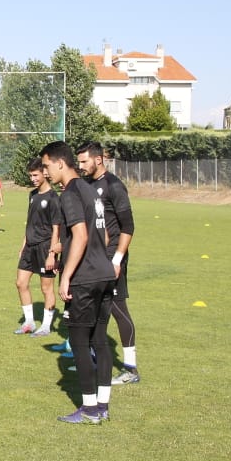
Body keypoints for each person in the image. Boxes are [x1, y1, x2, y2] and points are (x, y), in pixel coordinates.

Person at [41, 141, 116, 425]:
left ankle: (88, 408)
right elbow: (104, 237)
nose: (46, 172)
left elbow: (81, 236)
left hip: (85, 279)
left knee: (79, 342)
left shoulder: (71, 192)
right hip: (105, 274)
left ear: (60, 163)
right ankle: (103, 406)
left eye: (47, 166)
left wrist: (67, 276)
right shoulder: (90, 189)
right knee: (100, 340)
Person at [78, 142, 139, 384]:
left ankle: (131, 369)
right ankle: (93, 360)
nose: (81, 166)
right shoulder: (88, 185)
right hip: (94, 257)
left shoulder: (114, 186)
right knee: (92, 309)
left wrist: (116, 260)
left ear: (98, 160)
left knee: (117, 309)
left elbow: (128, 227)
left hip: (112, 258)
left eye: (84, 161)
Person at [14, 159, 61, 336]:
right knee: (20, 283)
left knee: (46, 288)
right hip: (29, 247)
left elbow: (57, 228)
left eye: (35, 175)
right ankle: (29, 322)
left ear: (44, 174)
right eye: (31, 175)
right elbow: (31, 222)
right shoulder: (32, 195)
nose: (32, 179)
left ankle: (46, 326)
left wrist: (51, 254)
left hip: (44, 247)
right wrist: (23, 245)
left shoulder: (53, 198)